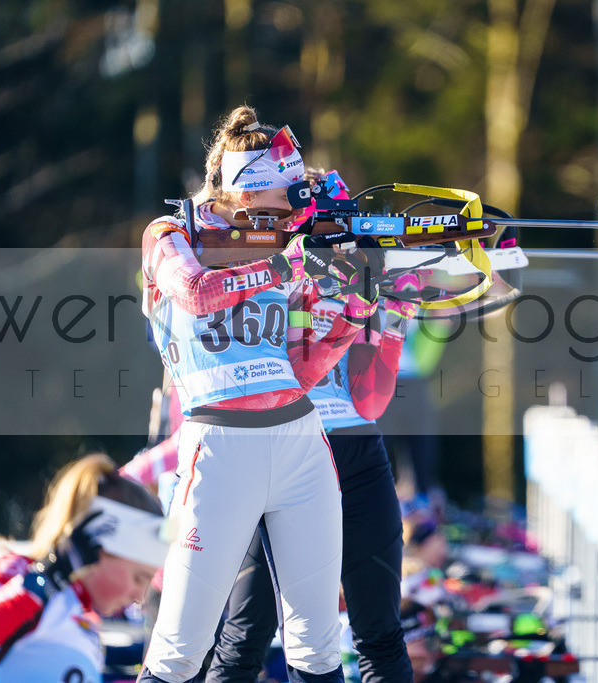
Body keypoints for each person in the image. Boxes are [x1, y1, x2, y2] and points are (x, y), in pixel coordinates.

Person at [136, 105, 382, 683]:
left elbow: (300, 372)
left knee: (318, 649)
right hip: (218, 448)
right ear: (237, 196)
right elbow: (195, 293)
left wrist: (354, 312)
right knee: (178, 651)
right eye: (273, 210)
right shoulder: (172, 234)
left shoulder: (281, 252)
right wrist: (284, 263)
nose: (285, 221)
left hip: (300, 444)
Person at [205, 173, 421, 682]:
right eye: (318, 231)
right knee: (243, 637)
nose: (333, 243)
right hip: (278, 455)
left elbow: (368, 402)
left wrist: (392, 315)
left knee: (381, 636)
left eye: (339, 231)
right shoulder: (263, 270)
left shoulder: (363, 273)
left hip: (355, 456)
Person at [0, 453, 169, 682]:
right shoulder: (21, 573)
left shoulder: (84, 618)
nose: (140, 596)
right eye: (138, 578)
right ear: (100, 551)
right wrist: (44, 580)